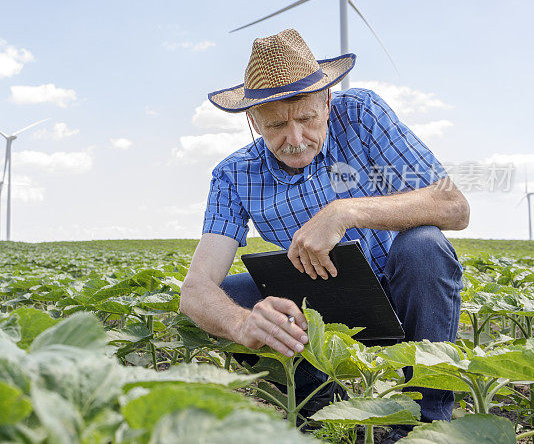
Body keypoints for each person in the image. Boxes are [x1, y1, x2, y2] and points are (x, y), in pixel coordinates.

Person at [179, 29, 469, 437]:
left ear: (327, 101)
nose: (295, 140)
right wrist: (244, 324)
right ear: (252, 120)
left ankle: (425, 422)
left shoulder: (362, 114)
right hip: (322, 313)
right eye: (276, 125)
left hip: (404, 294)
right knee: (231, 299)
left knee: (424, 247)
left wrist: (346, 211)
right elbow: (195, 289)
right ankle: (323, 409)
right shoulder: (233, 175)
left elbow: (454, 207)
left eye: (307, 119)